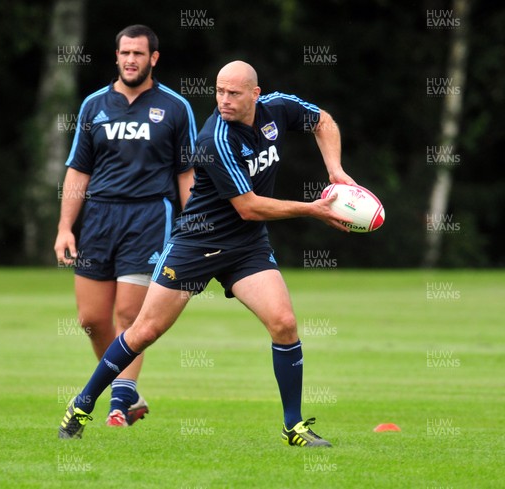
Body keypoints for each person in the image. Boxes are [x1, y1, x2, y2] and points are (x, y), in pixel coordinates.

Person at [59, 60, 355, 447]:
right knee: (145, 331)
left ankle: (293, 426)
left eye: (233, 93)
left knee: (283, 323)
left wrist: (335, 171)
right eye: (219, 92)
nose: (224, 101)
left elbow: (322, 121)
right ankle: (82, 403)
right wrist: (314, 209)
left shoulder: (278, 108)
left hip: (246, 247)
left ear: (255, 94)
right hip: (196, 245)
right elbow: (248, 206)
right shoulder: (215, 138)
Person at [54, 25, 197, 427]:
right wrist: (66, 227)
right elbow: (78, 171)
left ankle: (117, 405)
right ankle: (128, 390)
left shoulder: (174, 107)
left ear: (154, 58)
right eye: (124, 53)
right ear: (116, 57)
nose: (130, 59)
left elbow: (187, 174)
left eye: (139, 53)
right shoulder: (94, 106)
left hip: (151, 217)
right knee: (91, 320)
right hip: (99, 219)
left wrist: (195, 229)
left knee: (128, 317)